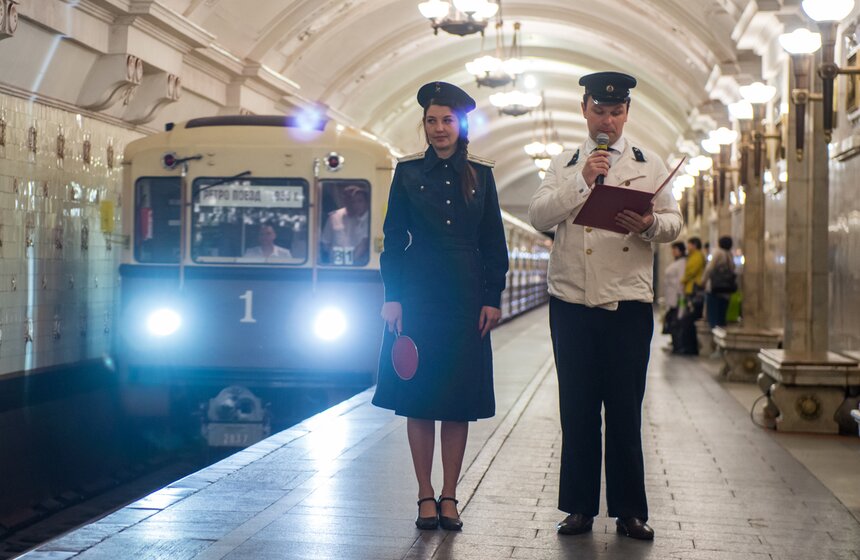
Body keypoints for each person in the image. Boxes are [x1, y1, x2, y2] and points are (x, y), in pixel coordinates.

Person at [528, 71, 682, 541]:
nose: (608, 121)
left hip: (628, 303)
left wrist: (650, 222)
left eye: (617, 112)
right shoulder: (565, 162)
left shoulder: (648, 162)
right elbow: (538, 215)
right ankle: (578, 509)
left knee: (624, 410)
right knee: (576, 409)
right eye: (600, 111)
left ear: (627, 113)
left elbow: (675, 222)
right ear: (584, 110)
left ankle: (630, 511)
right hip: (571, 301)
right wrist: (582, 182)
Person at [372, 81, 509, 532]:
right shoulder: (408, 172)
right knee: (419, 399)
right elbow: (393, 240)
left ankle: (450, 495)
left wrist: (493, 297)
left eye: (446, 120)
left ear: (461, 123)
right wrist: (392, 296)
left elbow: (493, 242)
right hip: (418, 294)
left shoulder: (482, 175)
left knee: (457, 401)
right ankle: (423, 495)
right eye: (431, 120)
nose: (437, 128)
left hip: (467, 297)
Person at [320, 184, 370, 265]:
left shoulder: (368, 220)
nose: (355, 204)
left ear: (366, 203)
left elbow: (364, 244)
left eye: (359, 201)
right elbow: (325, 243)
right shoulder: (335, 217)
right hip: (335, 265)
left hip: (360, 265)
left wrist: (350, 261)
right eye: (352, 200)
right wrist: (335, 257)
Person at [676, 236, 705, 354]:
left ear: (694, 245)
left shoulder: (697, 256)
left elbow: (690, 271)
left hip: (693, 290)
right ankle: (687, 346)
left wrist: (682, 280)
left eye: (689, 244)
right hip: (690, 290)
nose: (687, 247)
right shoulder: (693, 256)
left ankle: (690, 348)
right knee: (686, 319)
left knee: (689, 320)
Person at [702, 235, 735, 329]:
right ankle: (720, 337)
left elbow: (709, 268)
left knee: (713, 316)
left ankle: (713, 338)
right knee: (721, 316)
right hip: (726, 290)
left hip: (715, 288)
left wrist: (703, 281)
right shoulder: (730, 255)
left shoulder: (718, 253)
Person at [663, 241, 686, 351]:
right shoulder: (676, 263)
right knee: (672, 321)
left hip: (677, 297)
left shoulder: (682, 263)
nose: (673, 252)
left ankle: (678, 345)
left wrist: (681, 298)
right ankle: (674, 343)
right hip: (671, 297)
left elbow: (681, 282)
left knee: (676, 321)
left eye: (675, 249)